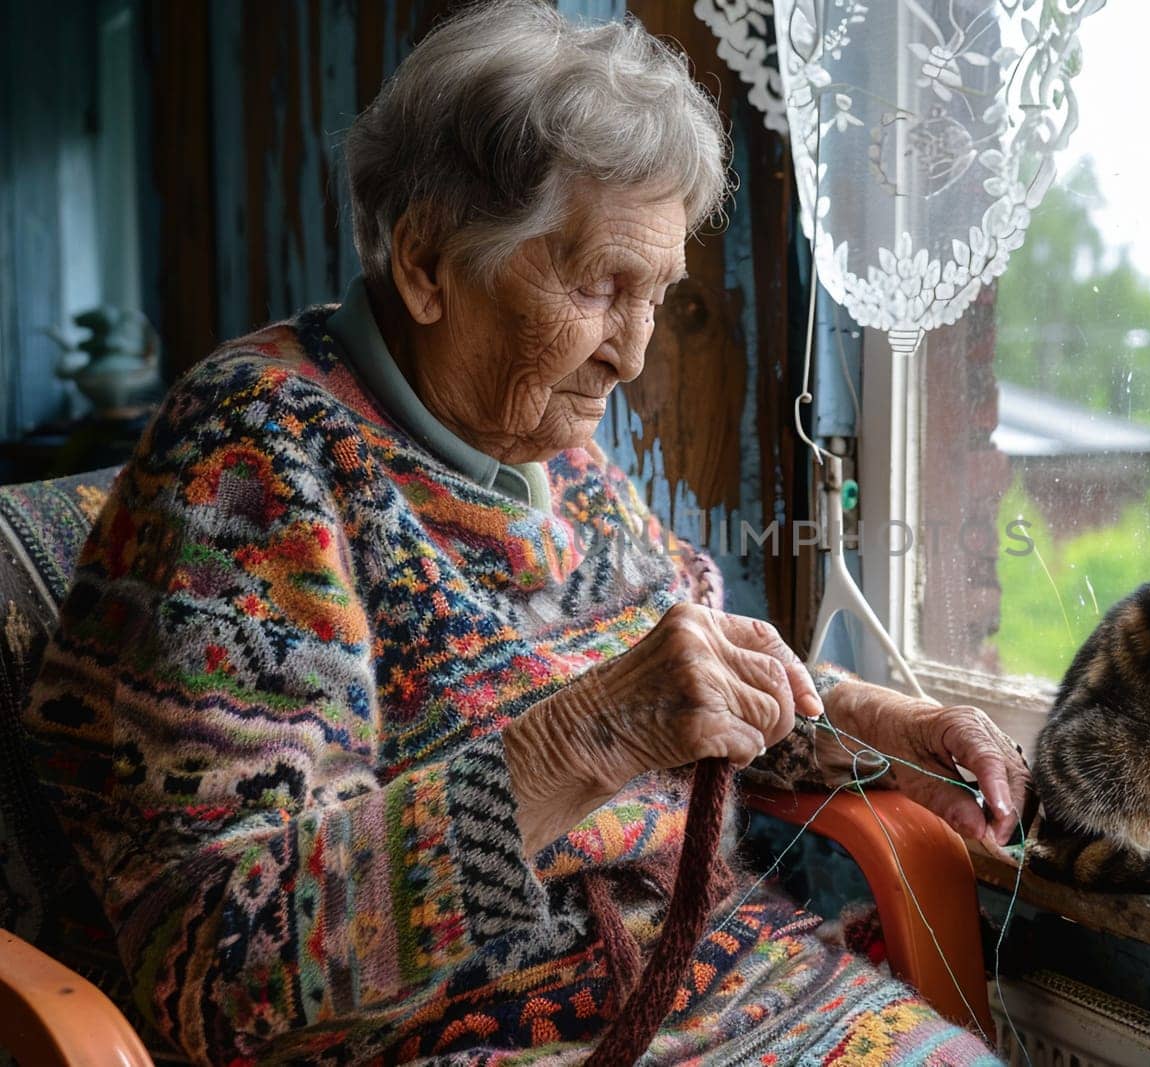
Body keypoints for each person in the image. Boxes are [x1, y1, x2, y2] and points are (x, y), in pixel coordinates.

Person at [25, 3, 1030, 1063]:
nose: (632, 355)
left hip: (720, 981)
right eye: (599, 286)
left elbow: (688, 692)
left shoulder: (560, 462)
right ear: (425, 262)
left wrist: (884, 734)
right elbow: (219, 967)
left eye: (657, 294)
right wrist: (588, 737)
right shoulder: (249, 466)